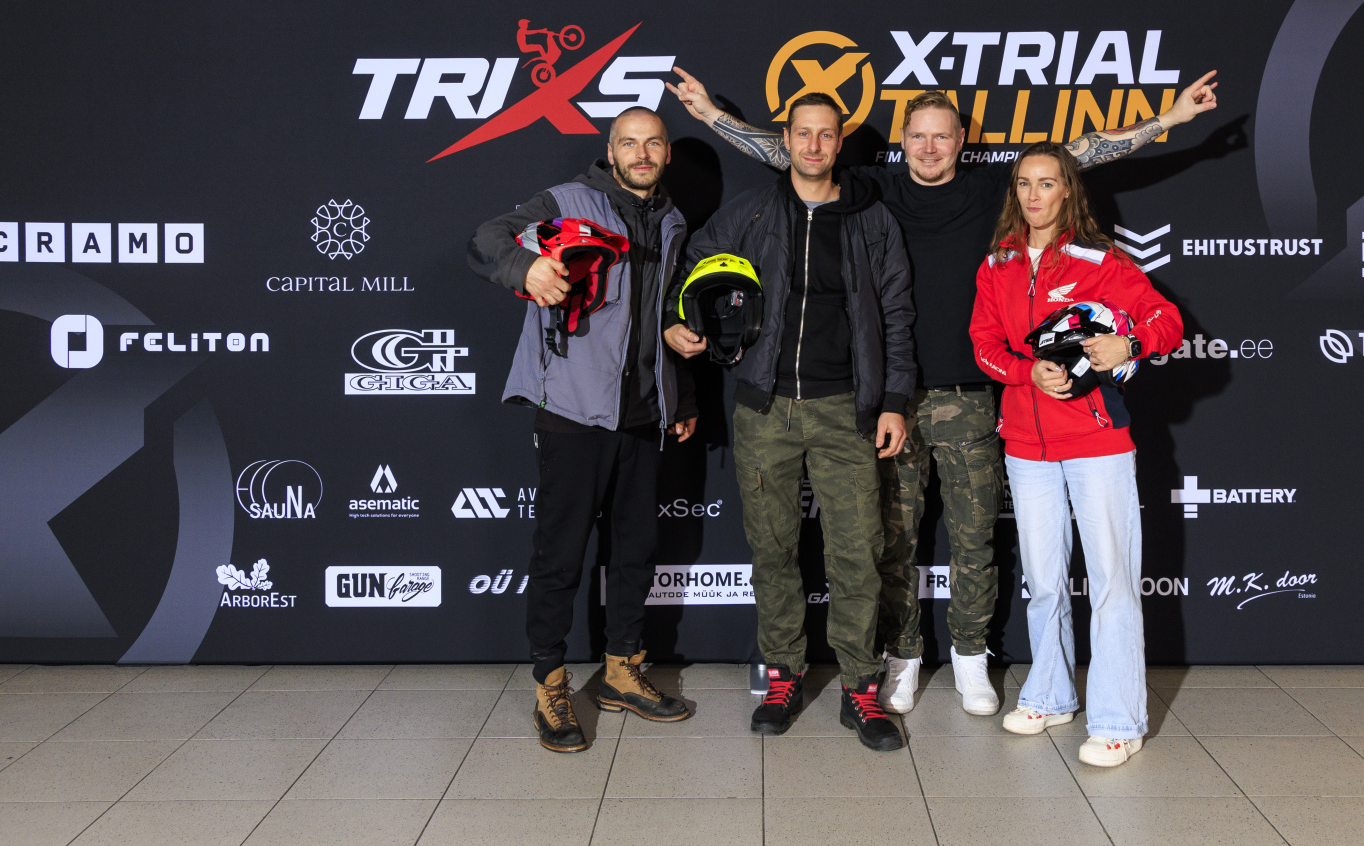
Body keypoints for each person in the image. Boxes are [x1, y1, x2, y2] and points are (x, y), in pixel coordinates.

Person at [667, 69, 1217, 715]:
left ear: (961, 142)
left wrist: (1169, 120)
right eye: (918, 137)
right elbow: (793, 153)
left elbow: (1075, 155)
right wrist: (711, 115)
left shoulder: (996, 190)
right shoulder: (872, 187)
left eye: (942, 137)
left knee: (974, 539)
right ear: (903, 142)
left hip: (971, 397)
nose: (929, 148)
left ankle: (970, 659)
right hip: (887, 399)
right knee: (892, 541)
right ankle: (901, 657)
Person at [665, 92, 916, 751]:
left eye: (825, 135)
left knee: (857, 552)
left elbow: (896, 311)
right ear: (786, 139)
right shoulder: (752, 209)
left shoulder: (871, 217)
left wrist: (893, 399)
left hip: (846, 409)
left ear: (840, 142)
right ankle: (783, 676)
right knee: (773, 549)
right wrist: (688, 321)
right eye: (803, 134)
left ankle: (861, 688)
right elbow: (693, 267)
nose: (813, 146)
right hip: (764, 409)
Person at [467, 107, 697, 754]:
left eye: (653, 143)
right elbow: (485, 240)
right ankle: (551, 682)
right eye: (629, 143)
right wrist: (525, 268)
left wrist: (679, 392)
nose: (641, 153)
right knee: (560, 555)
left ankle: (622, 671)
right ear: (610, 149)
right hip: (572, 410)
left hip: (643, 413)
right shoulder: (565, 201)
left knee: (635, 552)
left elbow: (663, 311)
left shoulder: (674, 220)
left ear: (667, 153)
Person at [969, 141, 1181, 766]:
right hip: (1025, 445)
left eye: (1047, 183)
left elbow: (1166, 322)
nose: (1034, 195)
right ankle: (1052, 694)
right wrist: (1026, 373)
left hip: (1095, 442)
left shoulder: (1101, 261)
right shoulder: (998, 264)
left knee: (1112, 582)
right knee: (1043, 582)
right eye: (1024, 184)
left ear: (1068, 190)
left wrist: (1130, 345)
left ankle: (1118, 720)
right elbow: (984, 343)